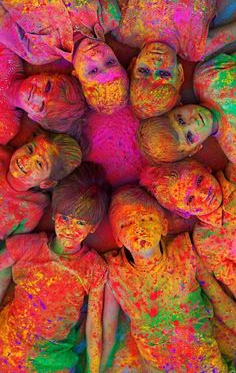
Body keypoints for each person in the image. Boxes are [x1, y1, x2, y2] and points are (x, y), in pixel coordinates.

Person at [102, 185, 227, 372]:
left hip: (205, 360)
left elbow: (220, 300)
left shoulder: (184, 252)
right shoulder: (115, 271)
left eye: (147, 218)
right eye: (125, 224)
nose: (139, 228)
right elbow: (108, 333)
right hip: (159, 366)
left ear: (164, 226)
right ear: (117, 238)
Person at [0, 162, 109, 372]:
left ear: (93, 227)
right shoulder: (28, 245)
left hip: (52, 359)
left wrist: (93, 370)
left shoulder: (93, 268)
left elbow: (94, 327)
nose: (69, 229)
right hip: (7, 344)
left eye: (80, 223)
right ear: (54, 214)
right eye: (65, 218)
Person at [0, 0, 129, 115]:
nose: (97, 56)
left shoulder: (37, 53)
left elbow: (2, 19)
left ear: (76, 76)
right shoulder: (109, 16)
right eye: (110, 62)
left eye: (93, 71)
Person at [112, 0, 231, 119]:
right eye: (163, 74)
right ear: (180, 74)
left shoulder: (123, 29)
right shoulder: (196, 48)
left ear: (134, 64)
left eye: (144, 70)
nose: (156, 63)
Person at [140, 159, 236, 294]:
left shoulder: (233, 173)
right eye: (190, 199)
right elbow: (231, 279)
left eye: (199, 180)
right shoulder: (205, 242)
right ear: (184, 213)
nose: (203, 194)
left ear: (206, 167)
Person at [0, 44, 87, 141]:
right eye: (47, 87)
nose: (37, 94)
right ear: (46, 74)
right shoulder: (8, 56)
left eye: (41, 107)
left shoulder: (6, 127)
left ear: (34, 118)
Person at [7, 130, 82, 192]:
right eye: (30, 149)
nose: (26, 159)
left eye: (39, 164)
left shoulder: (33, 208)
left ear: (47, 183)